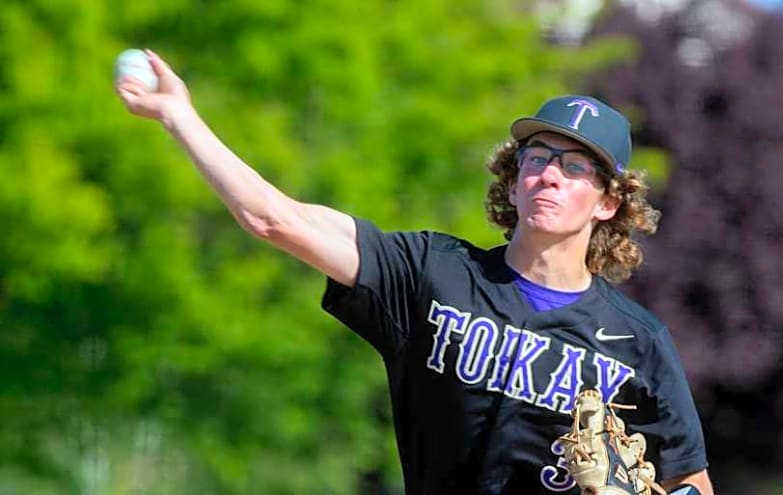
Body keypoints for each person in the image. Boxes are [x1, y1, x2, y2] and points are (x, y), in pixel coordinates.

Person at [116, 49, 714, 495]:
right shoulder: (431, 274)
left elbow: (694, 478)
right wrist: (179, 117)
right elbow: (276, 220)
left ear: (609, 201)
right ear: (514, 177)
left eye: (576, 166)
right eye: (538, 157)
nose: (550, 174)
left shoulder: (639, 344)